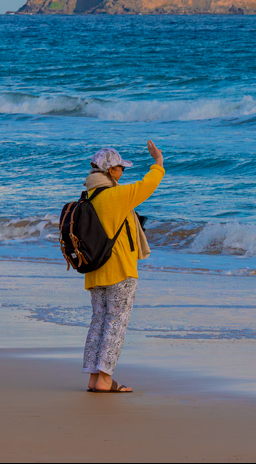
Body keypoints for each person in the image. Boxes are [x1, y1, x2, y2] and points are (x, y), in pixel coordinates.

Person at [81, 140, 164, 393]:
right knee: (115, 324)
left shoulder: (87, 197)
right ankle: (105, 379)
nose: (123, 172)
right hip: (120, 271)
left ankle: (94, 377)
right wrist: (158, 163)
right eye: (121, 168)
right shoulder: (117, 195)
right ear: (111, 171)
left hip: (94, 271)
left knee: (98, 322)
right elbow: (148, 185)